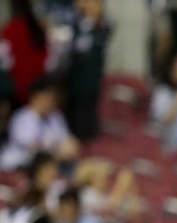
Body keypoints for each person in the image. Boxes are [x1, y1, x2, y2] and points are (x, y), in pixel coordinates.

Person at [1, 78, 79, 171]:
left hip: (48, 165)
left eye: (53, 98)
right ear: (35, 96)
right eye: (47, 97)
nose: (50, 101)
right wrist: (57, 149)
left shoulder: (56, 117)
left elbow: (68, 140)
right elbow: (31, 147)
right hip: (19, 164)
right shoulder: (22, 117)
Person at [64, 0, 111, 140]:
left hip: (89, 84)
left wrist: (93, 16)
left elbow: (100, 37)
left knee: (85, 122)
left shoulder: (102, 23)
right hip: (72, 82)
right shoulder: (75, 22)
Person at [2, 0, 48, 106]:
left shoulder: (10, 30)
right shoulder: (37, 28)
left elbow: (5, 61)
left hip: (19, 91)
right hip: (39, 90)